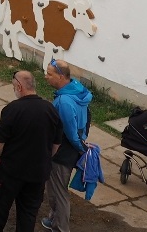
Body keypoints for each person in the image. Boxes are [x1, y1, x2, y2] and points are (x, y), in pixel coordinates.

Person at [0, 70, 62, 232]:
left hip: (10, 173)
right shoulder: (50, 110)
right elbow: (56, 144)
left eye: (13, 86)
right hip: (37, 174)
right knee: (28, 215)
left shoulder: (12, 109)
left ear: (19, 86)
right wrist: (44, 159)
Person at [41, 60, 92, 232]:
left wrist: (80, 147)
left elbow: (69, 132)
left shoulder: (64, 102)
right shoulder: (78, 90)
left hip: (62, 151)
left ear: (61, 76)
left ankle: (61, 227)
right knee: (56, 188)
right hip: (72, 148)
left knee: (58, 191)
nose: (45, 76)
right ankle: (53, 219)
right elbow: (85, 120)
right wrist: (83, 140)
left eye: (49, 73)